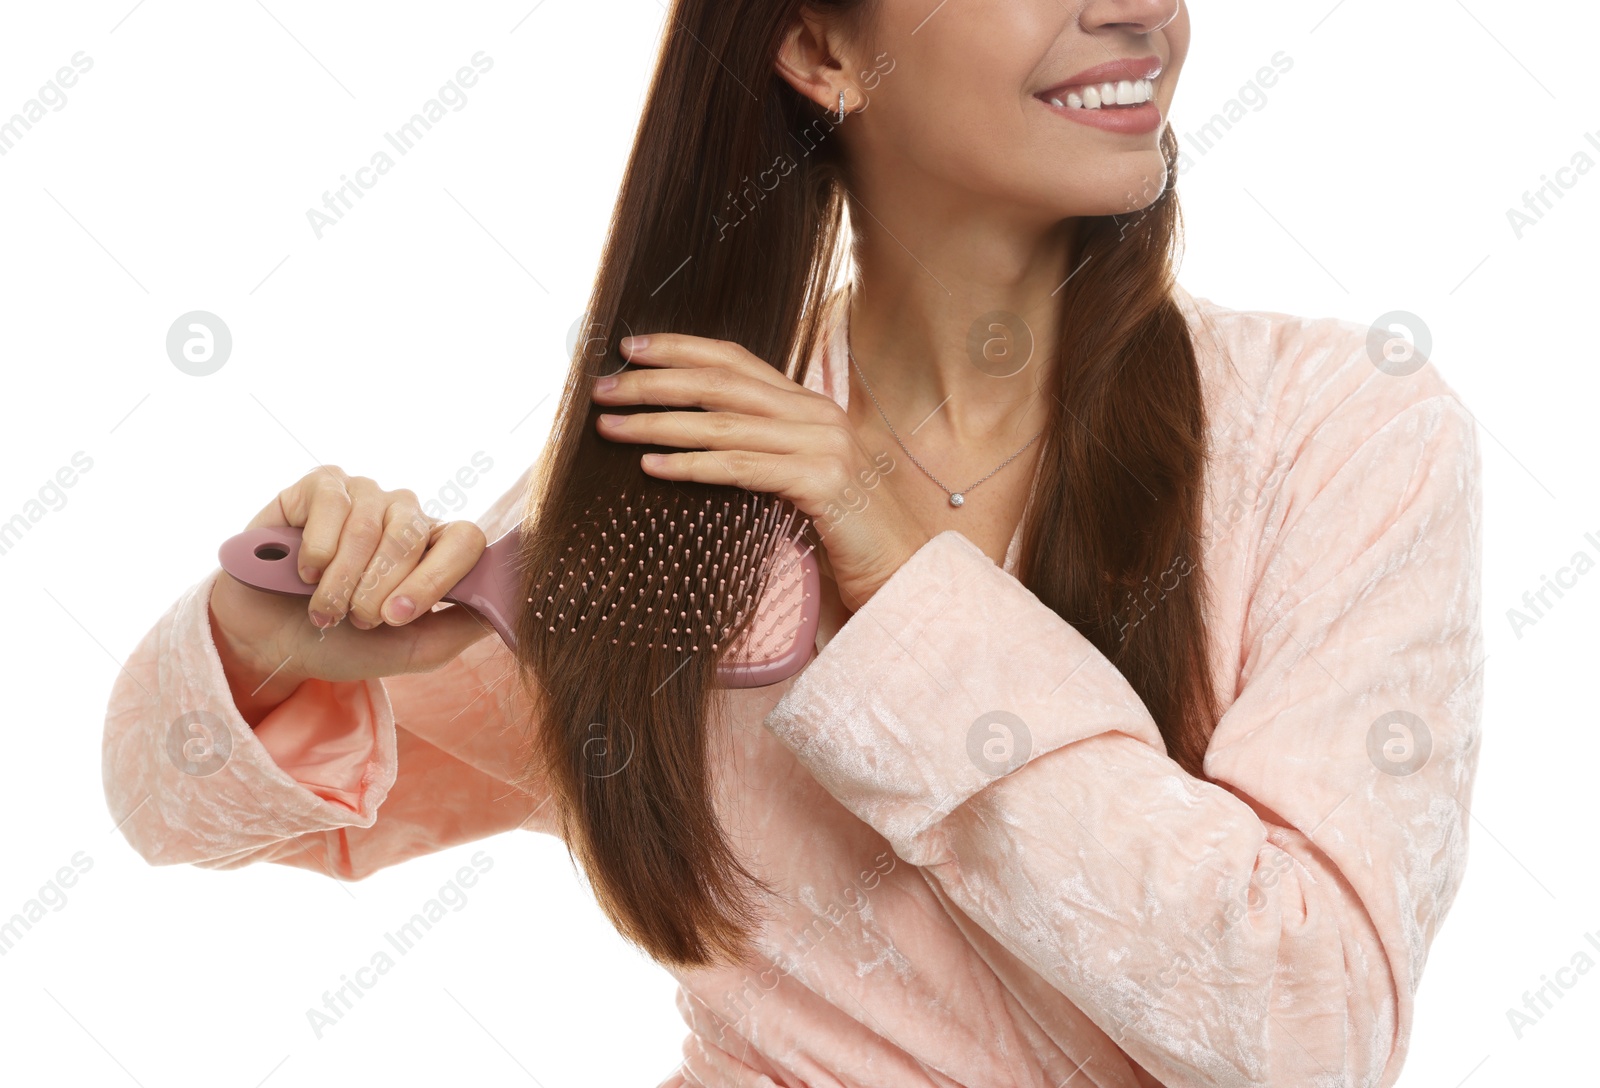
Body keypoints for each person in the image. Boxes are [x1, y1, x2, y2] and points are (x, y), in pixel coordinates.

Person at [102, 1, 1484, 1084]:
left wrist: (896, 569)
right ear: (822, 47)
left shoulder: (1337, 433)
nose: (1142, 8)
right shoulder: (693, 470)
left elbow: (1316, 1033)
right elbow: (173, 813)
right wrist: (259, 654)